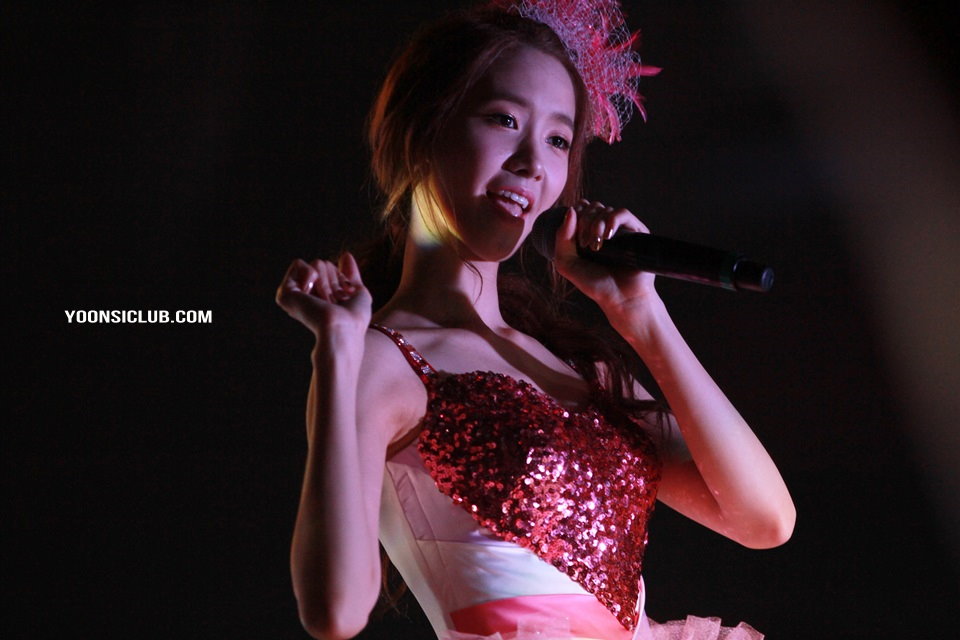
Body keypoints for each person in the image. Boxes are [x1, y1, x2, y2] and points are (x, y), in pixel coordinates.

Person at [275, 1, 795, 639]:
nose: (533, 161)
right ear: (422, 130)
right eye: (504, 120)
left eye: (557, 139)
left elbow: (764, 521)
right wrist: (336, 350)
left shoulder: (585, 369)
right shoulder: (381, 360)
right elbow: (337, 611)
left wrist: (642, 315)